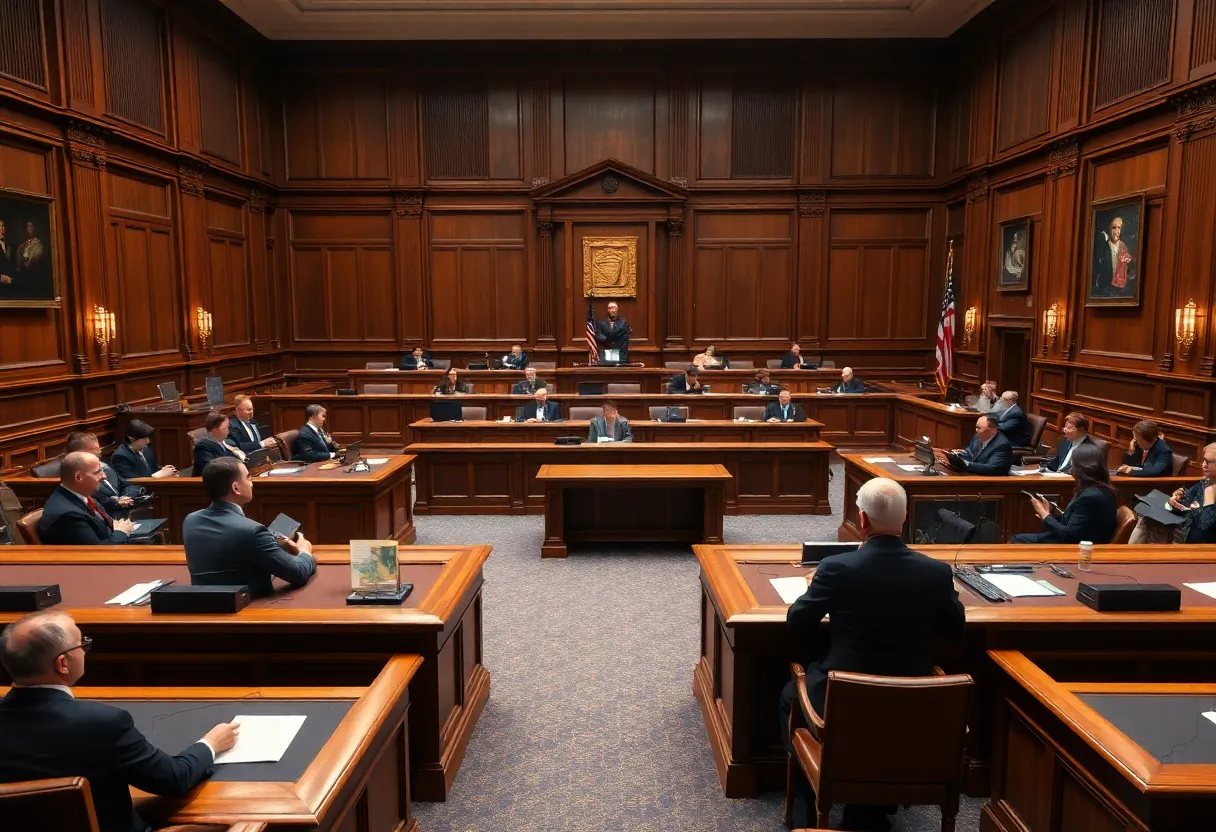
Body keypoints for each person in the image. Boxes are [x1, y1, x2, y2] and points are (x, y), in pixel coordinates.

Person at [781, 478, 965, 830]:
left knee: (789, 696)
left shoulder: (837, 568)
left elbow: (796, 623)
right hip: (916, 702)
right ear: (906, 517)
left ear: (861, 521)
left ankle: (806, 792)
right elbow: (955, 630)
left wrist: (817, 592)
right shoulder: (937, 572)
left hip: (841, 699)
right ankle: (873, 806)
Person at [0, 610, 239, 832]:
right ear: (63, 663)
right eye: (83, 644)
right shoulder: (102, 723)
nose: (85, 650)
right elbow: (172, 779)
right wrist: (211, 743)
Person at [183, 458, 317, 597]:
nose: (252, 484)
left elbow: (228, 558)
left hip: (203, 606)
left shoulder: (190, 520)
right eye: (248, 478)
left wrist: (268, 544)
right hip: (246, 609)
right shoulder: (252, 531)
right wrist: (304, 550)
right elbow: (298, 573)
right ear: (236, 488)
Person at [1013, 445, 1118, 544]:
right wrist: (1052, 513)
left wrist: (1045, 516)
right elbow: (1074, 523)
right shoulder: (1096, 490)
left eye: (1073, 464)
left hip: (1076, 548)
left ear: (1082, 467)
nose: (1071, 468)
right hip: (1075, 542)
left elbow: (1068, 535)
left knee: (1017, 540)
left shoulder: (1092, 497)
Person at [37, 452, 136, 545]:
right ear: (79, 477)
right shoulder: (68, 515)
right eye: (97, 472)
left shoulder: (79, 494)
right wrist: (121, 533)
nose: (104, 476)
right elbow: (96, 553)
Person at [1130, 443, 1216, 544]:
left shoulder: (1210, 488)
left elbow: (1204, 525)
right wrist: (1176, 499)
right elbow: (1187, 499)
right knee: (1147, 519)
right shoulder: (1206, 482)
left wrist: (1207, 498)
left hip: (1202, 546)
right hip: (1183, 532)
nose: (1203, 465)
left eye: (1209, 462)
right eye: (1204, 460)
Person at [63, 432, 141, 519]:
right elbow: (95, 502)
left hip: (126, 517)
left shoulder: (104, 466)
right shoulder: (73, 477)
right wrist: (117, 502)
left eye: (99, 454)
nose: (103, 475)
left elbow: (127, 485)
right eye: (94, 455)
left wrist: (126, 497)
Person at [935, 414, 1013, 476]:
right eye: (976, 427)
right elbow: (968, 453)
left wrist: (964, 464)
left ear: (993, 429)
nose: (976, 431)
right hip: (972, 475)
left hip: (991, 483)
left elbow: (992, 468)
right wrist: (954, 458)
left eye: (979, 428)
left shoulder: (1002, 445)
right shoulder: (977, 437)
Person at [110, 420, 176, 480]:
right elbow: (131, 481)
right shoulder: (120, 456)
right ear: (131, 438)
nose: (148, 441)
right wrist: (157, 475)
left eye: (148, 437)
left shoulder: (145, 448)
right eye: (144, 438)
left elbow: (152, 470)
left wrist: (163, 470)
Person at [1093, 215, 1134, 297]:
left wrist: (1128, 260)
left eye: (1119, 228)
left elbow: (1129, 265)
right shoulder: (1104, 246)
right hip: (1106, 284)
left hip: (1120, 285)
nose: (1117, 231)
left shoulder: (1123, 245)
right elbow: (1099, 265)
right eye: (1114, 228)